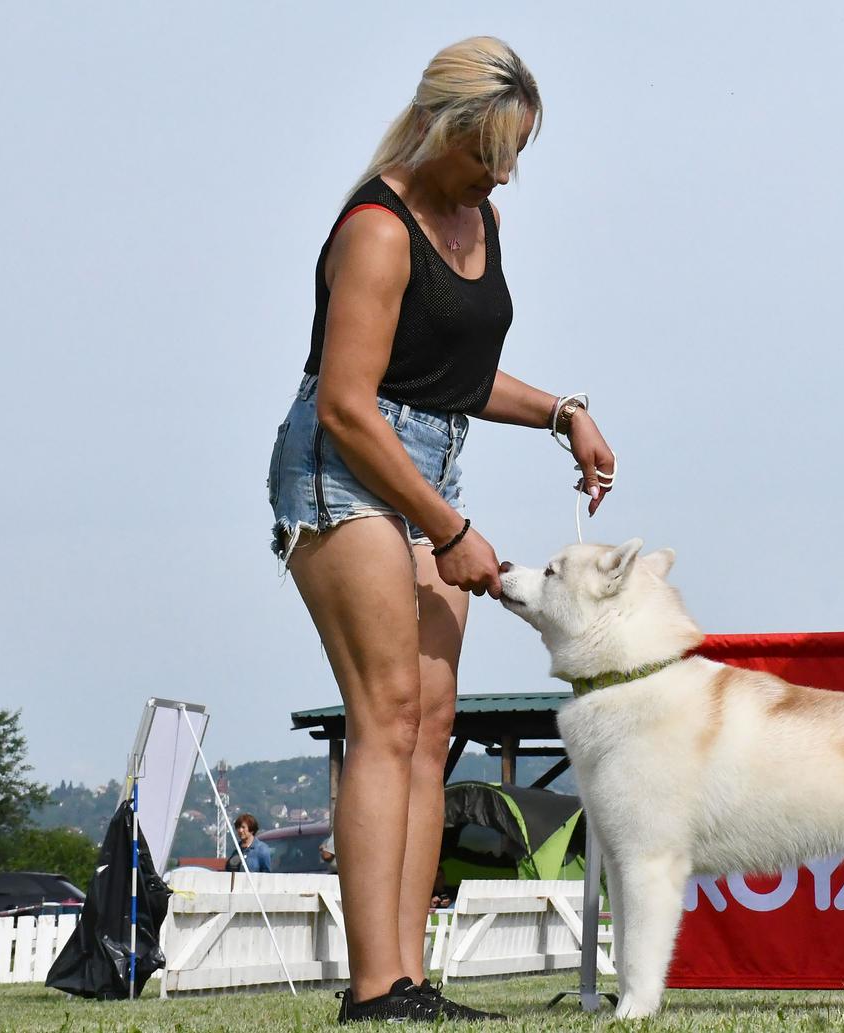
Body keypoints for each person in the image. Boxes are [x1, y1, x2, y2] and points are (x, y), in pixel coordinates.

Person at [266, 36, 615, 1025]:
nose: (501, 174)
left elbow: (448, 377)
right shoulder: (377, 229)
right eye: (486, 153)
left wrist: (561, 411)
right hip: (345, 468)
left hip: (425, 463)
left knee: (427, 728)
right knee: (384, 715)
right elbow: (346, 404)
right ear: (440, 126)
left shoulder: (480, 218)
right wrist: (451, 528)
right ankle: (375, 991)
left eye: (515, 155)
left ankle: (408, 981)